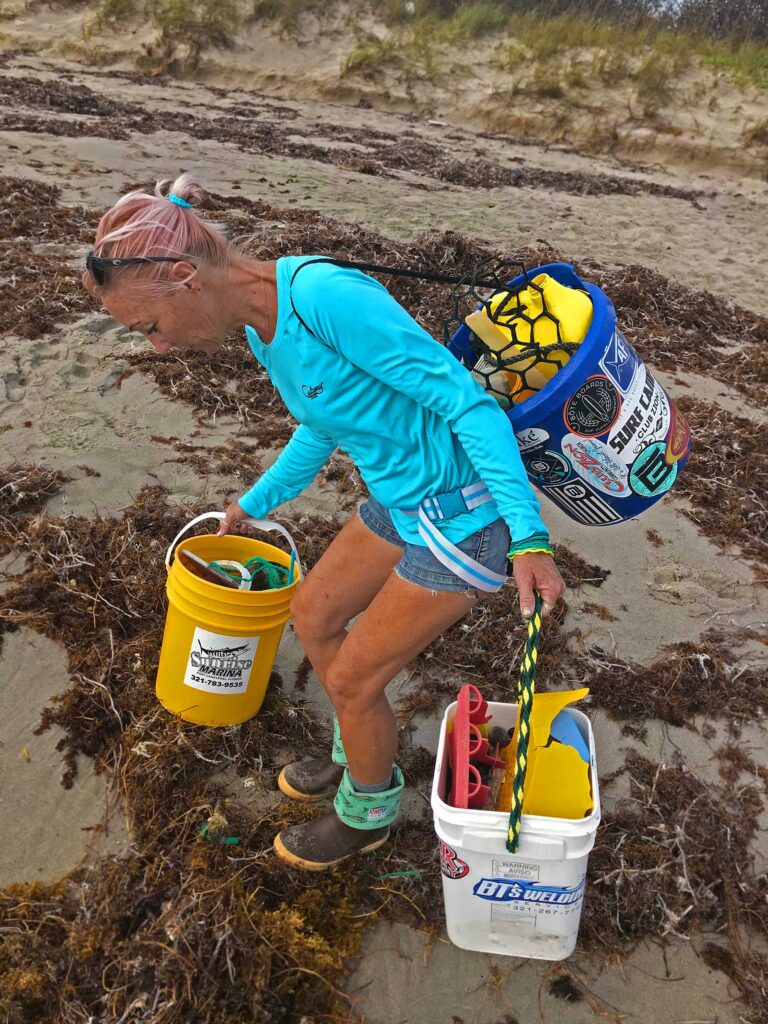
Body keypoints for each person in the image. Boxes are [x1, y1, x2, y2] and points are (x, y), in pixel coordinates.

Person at [82, 172, 565, 871]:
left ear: (185, 277)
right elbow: (318, 425)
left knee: (352, 680)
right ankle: (357, 745)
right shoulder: (261, 327)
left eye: (149, 327)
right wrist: (255, 501)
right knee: (310, 613)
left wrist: (529, 538)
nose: (157, 345)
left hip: (467, 516)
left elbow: (468, 405)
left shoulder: (324, 298)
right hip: (403, 499)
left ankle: (367, 810)